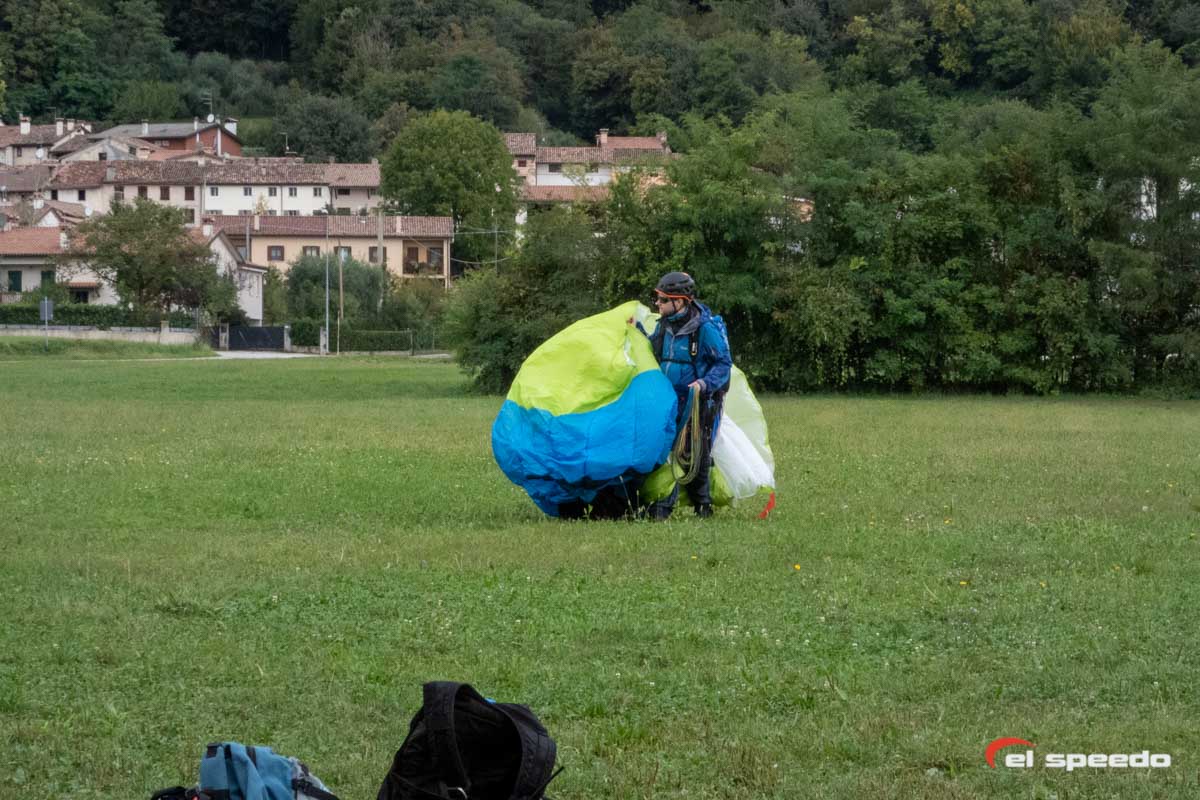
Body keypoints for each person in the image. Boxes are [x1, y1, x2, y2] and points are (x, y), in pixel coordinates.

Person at [638, 271, 732, 519]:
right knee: (665, 449)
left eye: (662, 299)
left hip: (698, 401)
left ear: (679, 301)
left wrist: (704, 383)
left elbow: (723, 363)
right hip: (668, 400)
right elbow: (652, 350)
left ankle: (703, 504)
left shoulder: (704, 328)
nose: (657, 304)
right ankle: (662, 504)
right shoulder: (664, 325)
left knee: (694, 452)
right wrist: (635, 331)